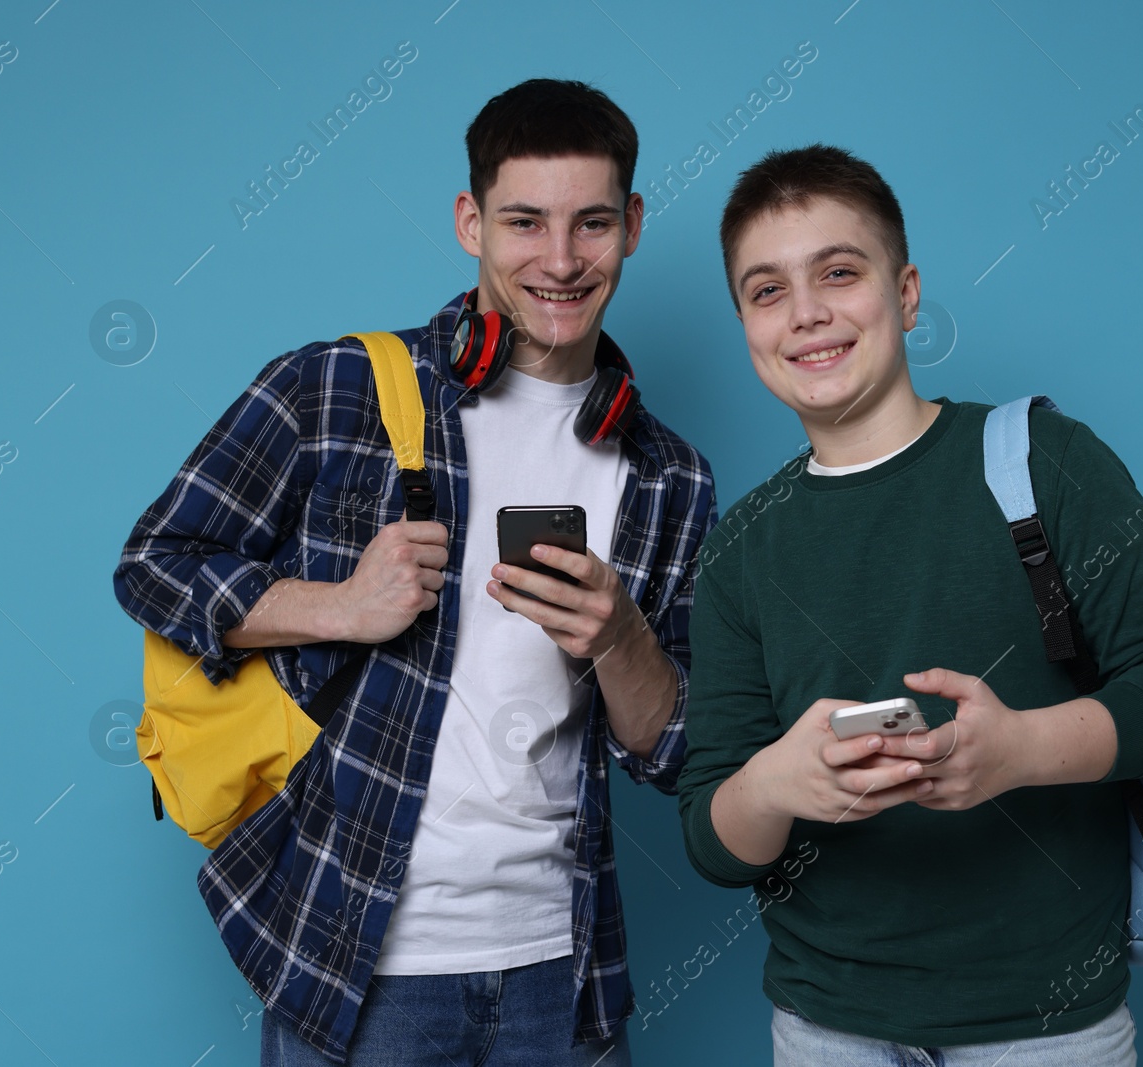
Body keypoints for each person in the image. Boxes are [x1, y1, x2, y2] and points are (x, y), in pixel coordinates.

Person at [114, 79, 715, 1066]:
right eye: (524, 221)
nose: (560, 261)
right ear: (469, 221)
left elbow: (673, 749)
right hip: (354, 970)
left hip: (560, 981)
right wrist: (339, 605)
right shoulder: (333, 386)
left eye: (591, 224)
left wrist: (618, 637)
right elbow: (153, 563)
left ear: (633, 226)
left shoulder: (670, 474)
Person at [676, 144, 1143, 1066]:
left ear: (905, 293)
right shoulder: (740, 547)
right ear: (745, 324)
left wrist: (1020, 751)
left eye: (840, 272)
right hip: (824, 1030)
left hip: (1047, 1030)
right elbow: (712, 837)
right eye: (767, 290)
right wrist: (778, 782)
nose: (807, 311)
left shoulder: (1043, 461)